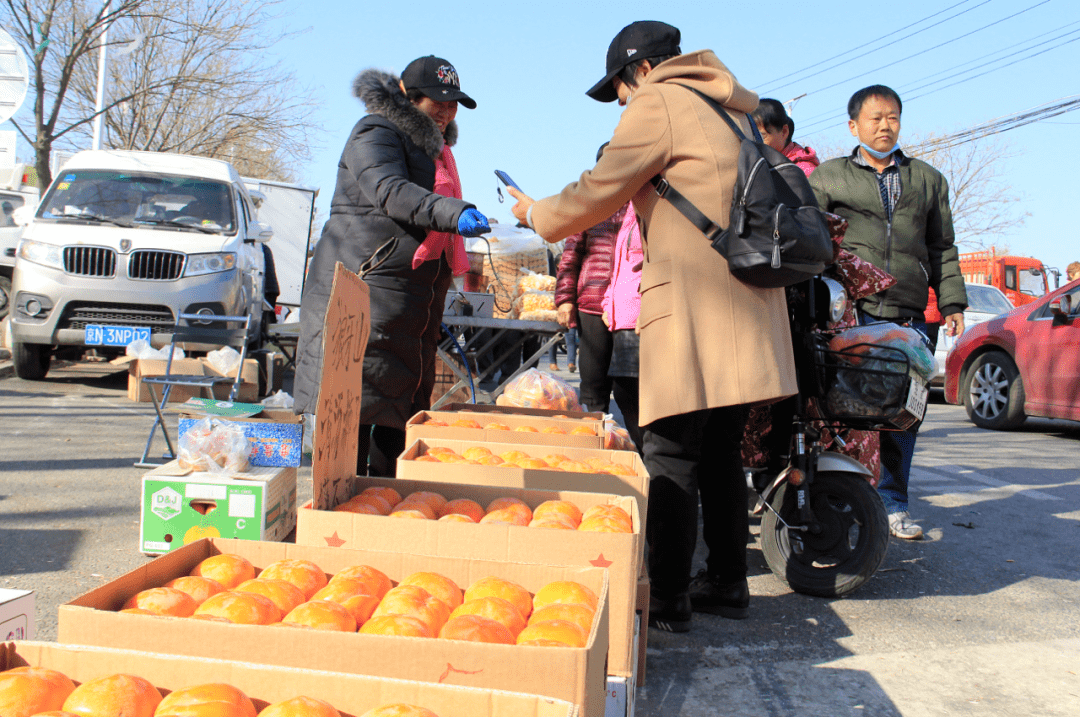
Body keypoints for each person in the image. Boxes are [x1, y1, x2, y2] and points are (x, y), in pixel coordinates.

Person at [509, 21, 797, 631]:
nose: (619, 102)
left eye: (617, 88)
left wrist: (536, 213)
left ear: (639, 70)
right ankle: (726, 581)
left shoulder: (658, 100)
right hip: (746, 301)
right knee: (720, 453)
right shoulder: (733, 106)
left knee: (668, 452)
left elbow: (601, 187)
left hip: (693, 302)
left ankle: (667, 596)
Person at [293, 55, 489, 477]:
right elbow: (390, 190)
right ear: (407, 95)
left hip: (409, 301)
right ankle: (341, 522)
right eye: (438, 100)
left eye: (454, 103)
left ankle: (383, 518)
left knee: (396, 419)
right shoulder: (375, 132)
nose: (447, 110)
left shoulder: (436, 151)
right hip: (363, 289)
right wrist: (451, 212)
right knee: (354, 415)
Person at [810, 84, 967, 540]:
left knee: (904, 415)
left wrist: (952, 301)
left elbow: (942, 246)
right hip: (851, 313)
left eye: (893, 117)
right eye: (875, 118)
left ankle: (893, 504)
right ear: (853, 125)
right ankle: (841, 498)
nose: (885, 125)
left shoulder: (927, 179)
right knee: (844, 414)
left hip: (910, 313)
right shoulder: (829, 177)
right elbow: (813, 235)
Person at [553, 144, 621, 413]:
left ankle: (633, 451)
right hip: (592, 306)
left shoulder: (645, 201)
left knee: (631, 390)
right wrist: (564, 299)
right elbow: (570, 257)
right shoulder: (589, 207)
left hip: (632, 308)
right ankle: (597, 448)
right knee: (593, 388)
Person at [601, 201, 644, 452]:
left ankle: (653, 460)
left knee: (633, 394)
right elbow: (621, 266)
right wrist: (608, 301)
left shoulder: (655, 200)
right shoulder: (629, 208)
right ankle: (647, 457)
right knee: (625, 393)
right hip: (621, 319)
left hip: (641, 316)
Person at [752, 98, 819, 176]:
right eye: (751, 136)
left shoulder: (804, 172)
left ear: (784, 132)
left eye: (761, 137)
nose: (755, 143)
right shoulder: (761, 166)